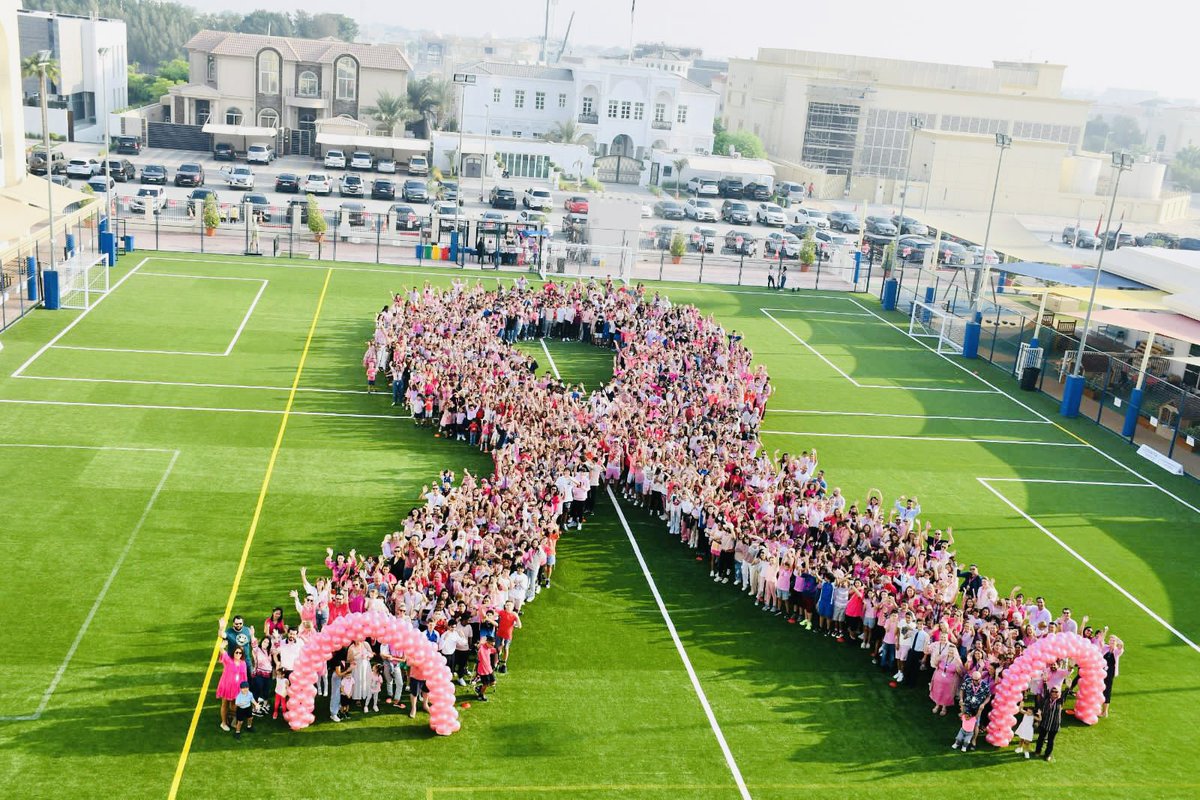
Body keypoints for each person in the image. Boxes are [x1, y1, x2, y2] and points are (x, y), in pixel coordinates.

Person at [215, 617, 248, 732]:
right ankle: (223, 722)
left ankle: (233, 718)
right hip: (226, 685)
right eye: (236, 652)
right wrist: (222, 627)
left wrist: (245, 689)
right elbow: (221, 648)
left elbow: (244, 678)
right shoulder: (228, 660)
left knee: (235, 705)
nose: (238, 654)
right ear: (233, 653)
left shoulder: (243, 664)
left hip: (236, 687)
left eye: (240, 652)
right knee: (224, 704)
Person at [1033, 685, 1064, 761]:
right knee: (1041, 738)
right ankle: (1038, 751)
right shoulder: (1046, 699)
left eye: (1056, 692)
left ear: (1059, 693)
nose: (1054, 693)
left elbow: (1064, 695)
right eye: (1052, 691)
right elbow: (1045, 689)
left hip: (1054, 725)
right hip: (1045, 723)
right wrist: (1045, 682)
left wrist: (1068, 688)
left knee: (1050, 741)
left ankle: (1047, 755)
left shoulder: (1060, 701)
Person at [475, 635, 497, 701]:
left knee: (493, 682)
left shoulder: (490, 648)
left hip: (489, 669)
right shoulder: (481, 648)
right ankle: (481, 695)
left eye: (493, 645)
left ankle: (479, 688)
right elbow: (483, 638)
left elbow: (495, 650)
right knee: (486, 684)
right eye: (492, 645)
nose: (492, 646)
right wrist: (481, 642)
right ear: (487, 642)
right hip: (483, 670)